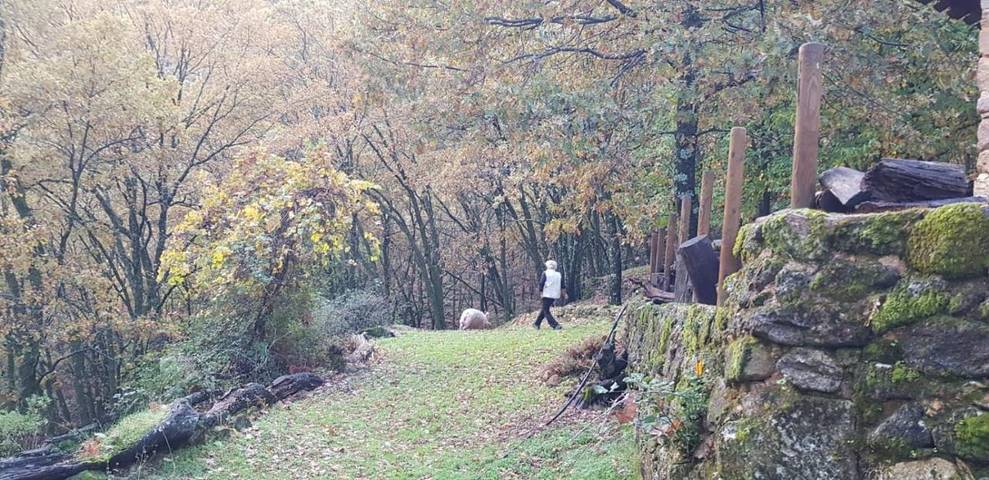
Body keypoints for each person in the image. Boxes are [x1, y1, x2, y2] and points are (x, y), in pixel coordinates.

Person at [534, 260, 563, 330]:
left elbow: (541, 283)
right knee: (545, 309)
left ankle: (555, 325)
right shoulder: (558, 274)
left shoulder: (545, 273)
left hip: (546, 293)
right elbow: (562, 284)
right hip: (555, 294)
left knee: (546, 310)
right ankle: (536, 324)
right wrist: (564, 293)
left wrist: (541, 292)